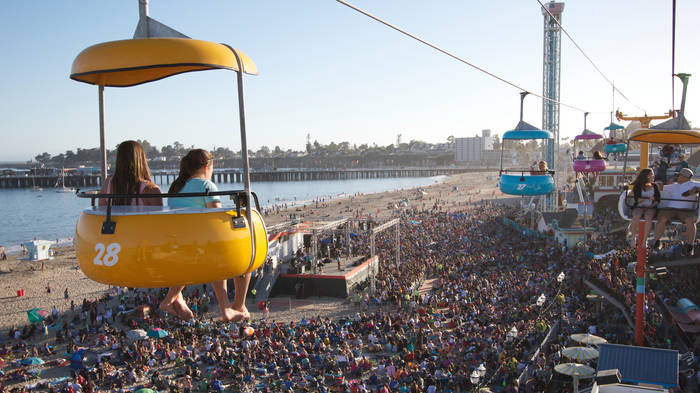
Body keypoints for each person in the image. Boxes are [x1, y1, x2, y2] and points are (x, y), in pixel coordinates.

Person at [160, 149, 250, 322]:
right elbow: (217, 219)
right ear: (206, 166)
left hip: (179, 247)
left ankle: (169, 299)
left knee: (216, 257)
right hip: (202, 249)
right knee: (244, 261)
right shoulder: (206, 186)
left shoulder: (175, 187)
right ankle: (238, 306)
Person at [651, 167, 700, 255]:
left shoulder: (694, 184)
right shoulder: (674, 185)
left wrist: (694, 190)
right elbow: (661, 187)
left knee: (691, 221)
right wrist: (656, 183)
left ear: (685, 177)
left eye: (679, 175)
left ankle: (690, 245)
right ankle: (657, 241)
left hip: (686, 210)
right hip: (671, 208)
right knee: (662, 218)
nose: (677, 177)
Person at [98, 140, 162, 207]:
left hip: (113, 218)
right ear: (141, 159)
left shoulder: (108, 183)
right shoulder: (151, 190)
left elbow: (101, 211)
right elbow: (159, 216)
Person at [628, 169, 660, 247]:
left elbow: (657, 199)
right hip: (640, 206)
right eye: (651, 175)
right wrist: (648, 197)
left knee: (648, 217)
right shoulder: (638, 186)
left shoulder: (654, 186)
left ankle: (645, 240)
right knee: (636, 216)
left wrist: (651, 205)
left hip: (650, 207)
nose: (653, 176)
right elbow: (638, 199)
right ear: (646, 176)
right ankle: (633, 238)